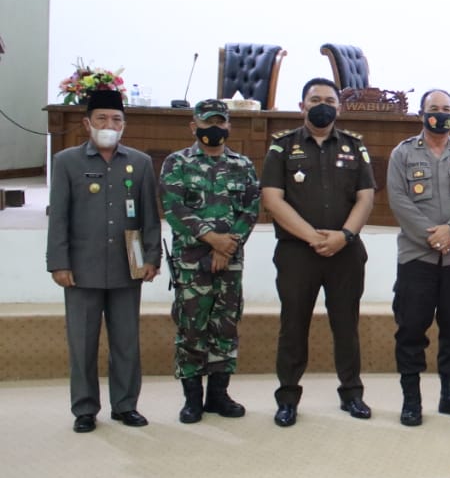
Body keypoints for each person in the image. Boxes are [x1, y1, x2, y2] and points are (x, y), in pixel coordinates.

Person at [261, 78, 375, 427]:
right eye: (315, 100)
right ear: (302, 106)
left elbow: (366, 197)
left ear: (339, 108)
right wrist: (313, 237)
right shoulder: (282, 146)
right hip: (297, 252)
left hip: (345, 251)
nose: (322, 105)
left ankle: (352, 393)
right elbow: (272, 199)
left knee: (346, 325)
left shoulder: (355, 146)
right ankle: (287, 398)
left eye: (329, 100)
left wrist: (344, 235)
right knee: (293, 326)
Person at [46, 88, 161, 433]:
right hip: (82, 268)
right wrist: (58, 262)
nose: (109, 125)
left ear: (124, 124)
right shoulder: (66, 161)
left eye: (116, 119)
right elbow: (58, 218)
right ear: (87, 124)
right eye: (102, 119)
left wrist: (152, 257)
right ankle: (84, 409)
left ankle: (125, 405)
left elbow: (150, 216)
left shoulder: (140, 163)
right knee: (82, 343)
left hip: (128, 266)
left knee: (126, 342)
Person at [387, 89, 450, 426]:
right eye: (434, 108)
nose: (440, 114)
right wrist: (433, 236)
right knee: (411, 329)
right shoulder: (402, 153)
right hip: (417, 256)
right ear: (421, 113)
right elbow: (398, 199)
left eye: (446, 109)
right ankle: (411, 400)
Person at [160, 99, 261, 424]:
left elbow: (251, 209)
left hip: (229, 262)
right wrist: (212, 239)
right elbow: (174, 209)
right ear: (194, 126)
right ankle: (192, 399)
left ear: (229, 126)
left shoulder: (242, 164)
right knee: (191, 327)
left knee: (225, 326)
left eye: (220, 122)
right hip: (191, 262)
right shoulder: (177, 163)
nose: (214, 129)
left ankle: (218, 395)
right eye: (207, 123)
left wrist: (226, 247)